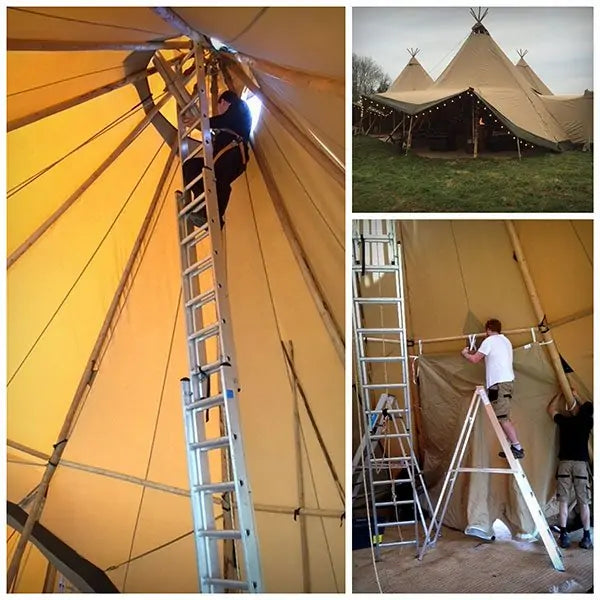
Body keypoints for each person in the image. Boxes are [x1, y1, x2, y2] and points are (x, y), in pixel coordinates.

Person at [182, 90, 252, 229]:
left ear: (224, 102)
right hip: (222, 156)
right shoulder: (226, 123)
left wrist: (202, 122)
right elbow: (222, 121)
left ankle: (216, 218)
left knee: (221, 180)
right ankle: (202, 205)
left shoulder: (239, 107)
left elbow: (223, 119)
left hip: (234, 153)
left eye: (219, 107)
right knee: (191, 166)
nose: (219, 111)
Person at [460, 318, 525, 459]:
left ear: (488, 329)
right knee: (502, 416)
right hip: (506, 382)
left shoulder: (489, 341)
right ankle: (514, 446)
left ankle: (517, 447)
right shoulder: (505, 341)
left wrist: (465, 353)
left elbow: (475, 359)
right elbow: (491, 357)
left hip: (499, 383)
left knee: (502, 417)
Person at [547, 388, 593, 549]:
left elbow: (550, 410)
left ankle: (564, 535)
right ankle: (587, 537)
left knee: (563, 502)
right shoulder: (588, 422)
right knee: (584, 502)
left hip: (564, 464)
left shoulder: (565, 422)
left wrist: (560, 393)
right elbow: (589, 408)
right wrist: (577, 395)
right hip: (581, 465)